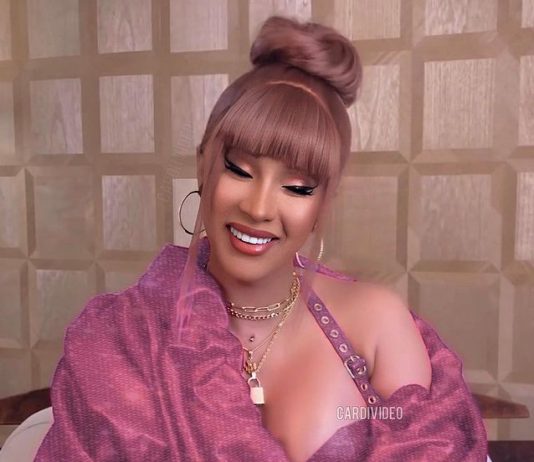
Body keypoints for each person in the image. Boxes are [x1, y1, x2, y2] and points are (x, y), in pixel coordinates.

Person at [34, 16, 487, 462]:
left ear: (324, 201)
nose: (259, 207)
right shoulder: (120, 340)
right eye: (239, 170)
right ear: (202, 165)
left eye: (298, 187)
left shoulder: (375, 323)